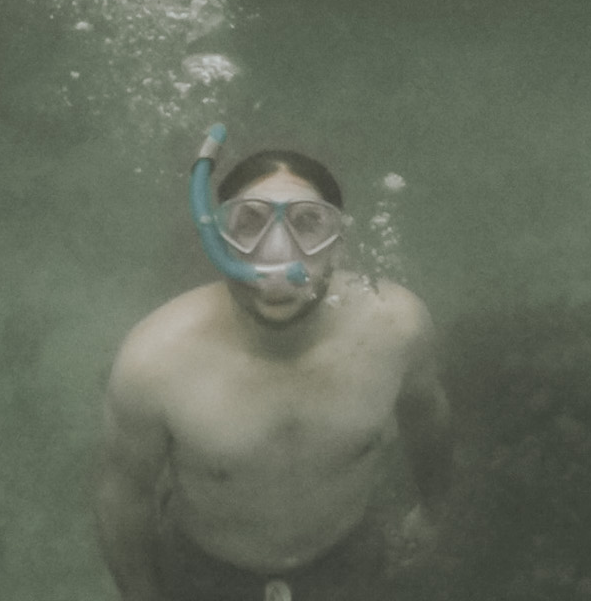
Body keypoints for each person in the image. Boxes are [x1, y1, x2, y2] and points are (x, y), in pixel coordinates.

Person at [96, 136, 451, 601]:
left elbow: (427, 417)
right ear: (216, 238)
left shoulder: (398, 328)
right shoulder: (154, 362)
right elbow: (125, 500)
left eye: (308, 223)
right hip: (201, 570)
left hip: (347, 560)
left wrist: (432, 510)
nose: (277, 252)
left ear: (338, 243)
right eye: (249, 223)